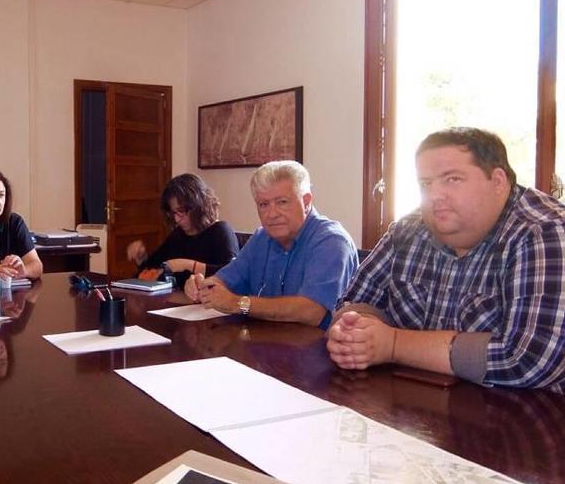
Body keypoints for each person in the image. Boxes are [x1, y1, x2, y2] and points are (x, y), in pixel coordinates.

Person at [327, 127, 565, 393]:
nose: (435, 195)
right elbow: (353, 303)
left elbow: (529, 360)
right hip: (414, 404)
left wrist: (392, 344)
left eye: (452, 179)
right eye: (425, 183)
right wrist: (353, 334)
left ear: (498, 181)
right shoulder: (408, 229)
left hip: (527, 419)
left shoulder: (543, 231)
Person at [185, 160, 358, 329]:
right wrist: (204, 287)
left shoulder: (331, 241)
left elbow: (311, 311)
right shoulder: (262, 237)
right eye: (264, 204)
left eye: (282, 202)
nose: (272, 214)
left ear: (306, 202)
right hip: (263, 346)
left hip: (319, 351)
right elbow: (224, 280)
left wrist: (238, 303)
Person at [126, 173, 239, 287]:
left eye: (181, 211)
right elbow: (153, 268)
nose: (176, 219)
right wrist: (141, 259)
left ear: (198, 206)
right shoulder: (178, 235)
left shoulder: (221, 231)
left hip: (209, 303)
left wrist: (187, 265)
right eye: (174, 213)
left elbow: (232, 275)